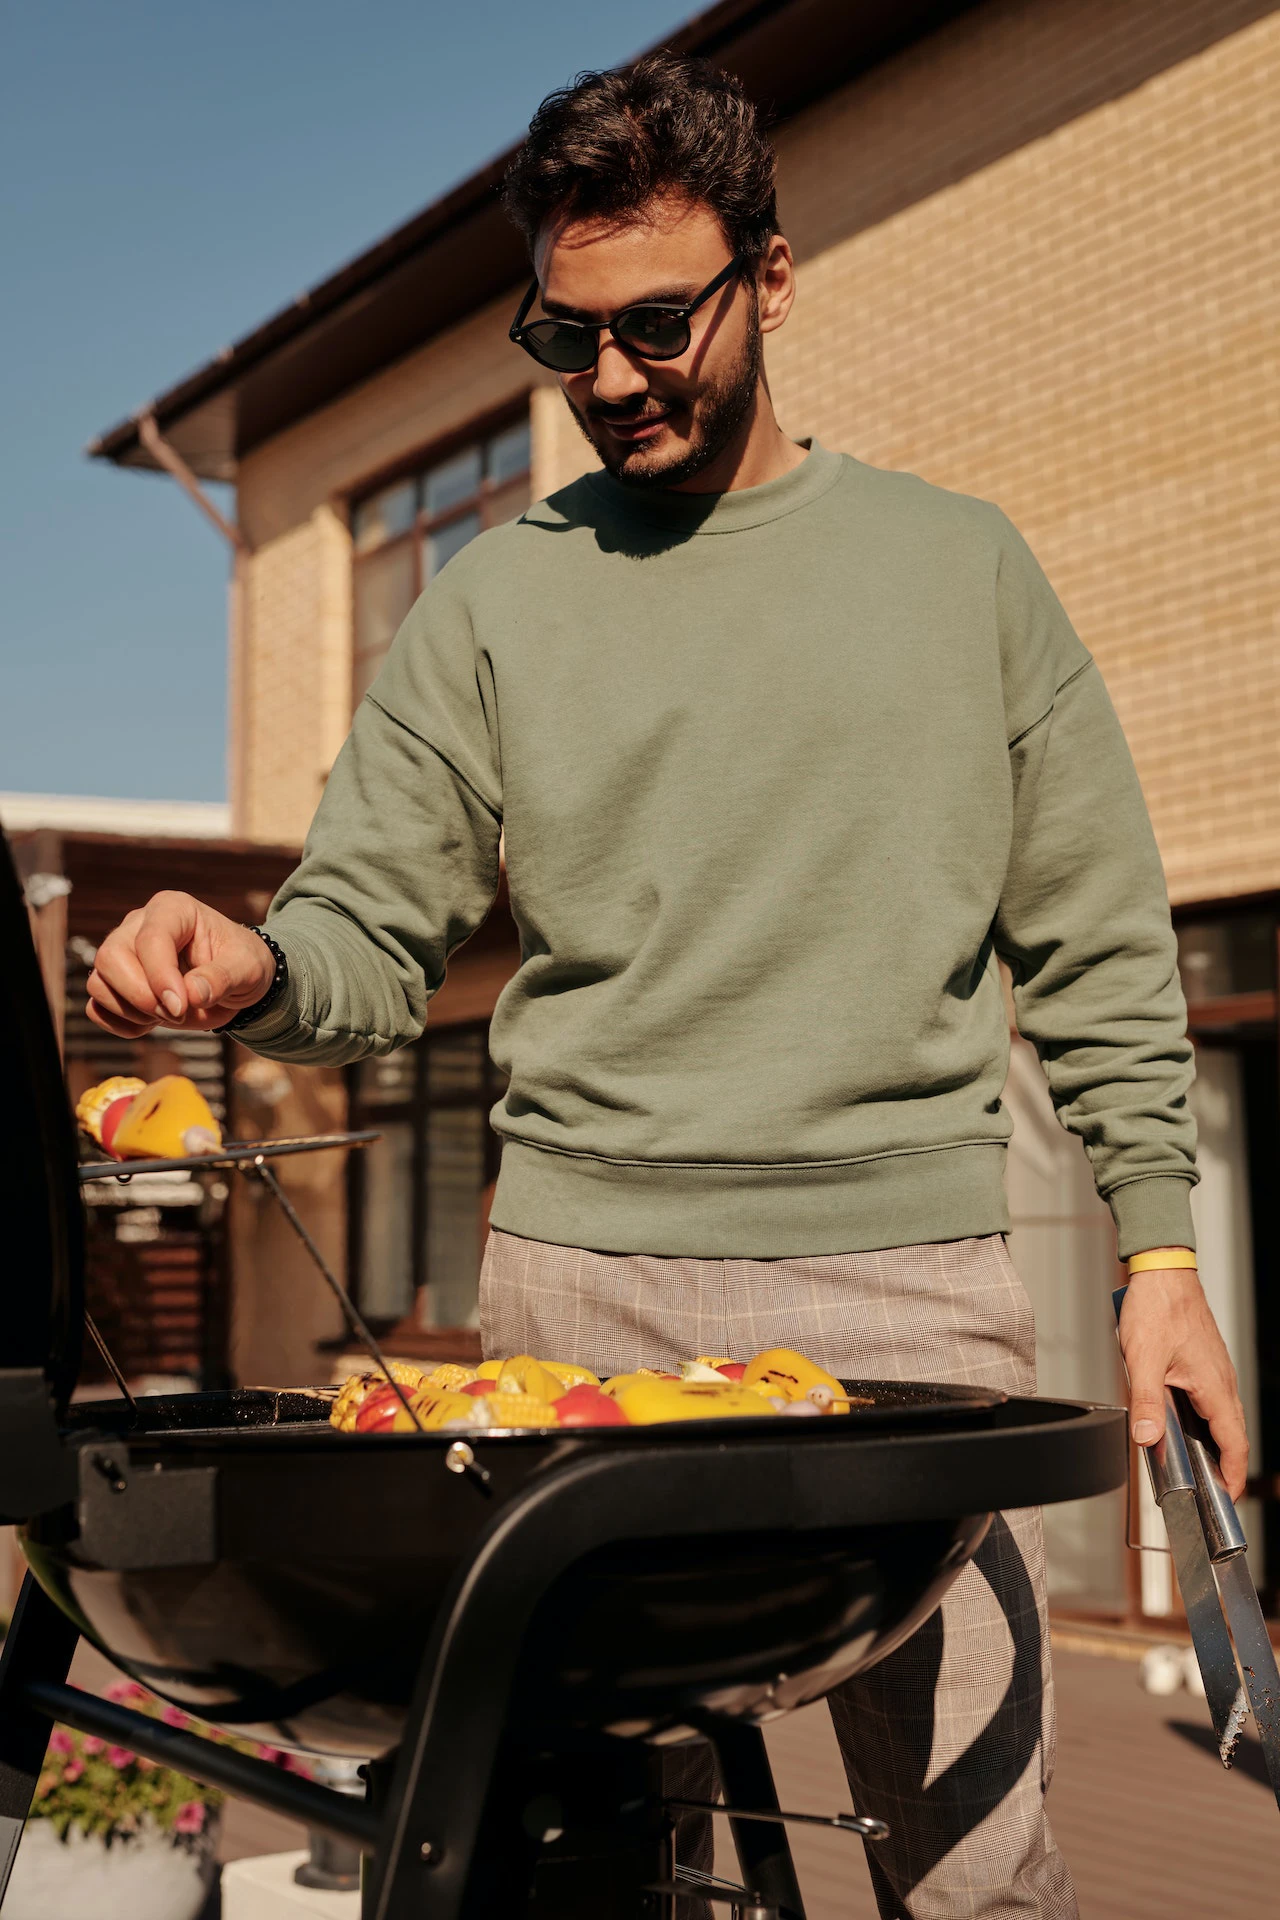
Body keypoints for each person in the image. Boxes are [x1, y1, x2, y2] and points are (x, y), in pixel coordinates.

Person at [87, 53, 1245, 1919]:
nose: (611, 379)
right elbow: (371, 933)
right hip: (578, 1305)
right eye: (567, 334)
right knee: (598, 1870)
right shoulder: (490, 607)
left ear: (770, 281)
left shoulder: (961, 573)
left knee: (967, 1876)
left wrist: (1165, 1263)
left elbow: (1102, 944)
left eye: (656, 323)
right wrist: (255, 962)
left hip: (902, 1315)